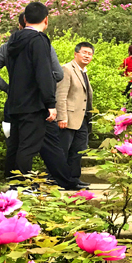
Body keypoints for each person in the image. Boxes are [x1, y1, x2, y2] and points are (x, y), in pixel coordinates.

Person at [4, 2, 59, 183]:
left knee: (17, 145)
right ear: (46, 20)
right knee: (28, 147)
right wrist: (50, 103)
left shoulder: (13, 40)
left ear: (25, 19)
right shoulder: (39, 41)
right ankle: (23, 185)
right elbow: (43, 74)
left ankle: (14, 184)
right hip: (33, 104)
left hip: (14, 103)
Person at [56, 42, 93, 183]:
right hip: (68, 118)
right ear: (76, 54)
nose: (87, 56)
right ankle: (57, 178)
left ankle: (73, 178)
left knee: (79, 149)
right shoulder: (66, 69)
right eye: (84, 52)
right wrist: (62, 117)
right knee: (62, 150)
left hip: (82, 118)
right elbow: (61, 95)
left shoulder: (83, 72)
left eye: (90, 54)